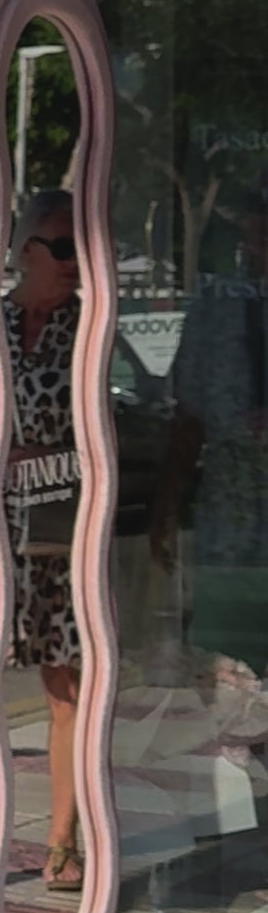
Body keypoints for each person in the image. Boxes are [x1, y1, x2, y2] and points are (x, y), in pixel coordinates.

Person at [150, 172, 268, 687]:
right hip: (231, 523)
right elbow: (189, 417)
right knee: (232, 671)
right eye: (258, 220)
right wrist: (167, 503)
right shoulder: (217, 306)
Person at [4, 187, 84, 895]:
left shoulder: (86, 325)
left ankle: (66, 838)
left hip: (64, 529)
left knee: (69, 690)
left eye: (78, 247)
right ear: (25, 249)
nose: (72, 261)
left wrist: (45, 456)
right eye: (60, 246)